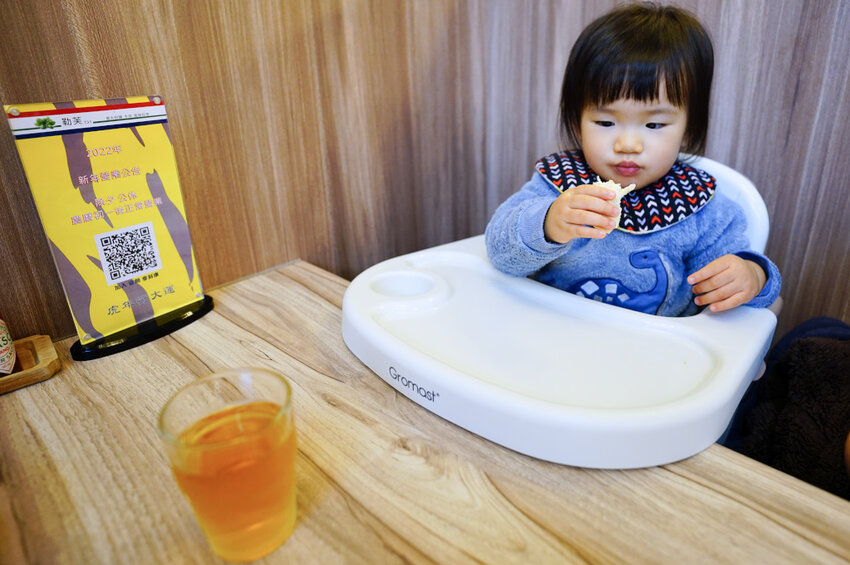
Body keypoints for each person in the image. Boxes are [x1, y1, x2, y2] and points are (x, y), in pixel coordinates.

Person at [485, 2, 780, 316]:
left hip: (653, 345)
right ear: (577, 120)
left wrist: (752, 276)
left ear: (688, 127)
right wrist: (547, 224)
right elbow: (500, 254)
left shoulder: (701, 207)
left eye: (654, 125)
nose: (627, 144)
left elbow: (733, 296)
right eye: (605, 122)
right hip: (548, 329)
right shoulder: (558, 185)